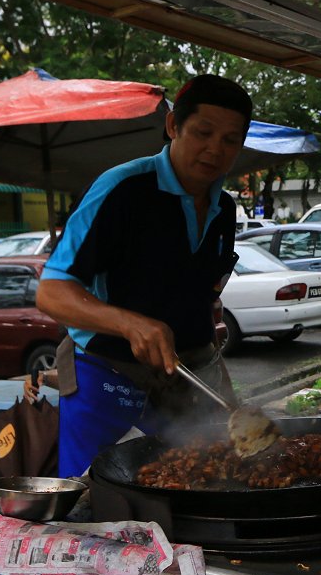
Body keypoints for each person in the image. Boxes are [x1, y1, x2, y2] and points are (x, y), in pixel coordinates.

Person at [37, 74, 249, 477]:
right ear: (173, 125)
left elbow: (204, 301)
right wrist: (131, 324)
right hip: (106, 378)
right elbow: (52, 293)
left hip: (180, 384)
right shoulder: (123, 189)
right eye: (203, 132)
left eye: (230, 140)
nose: (215, 149)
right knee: (97, 502)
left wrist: (225, 390)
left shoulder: (224, 209)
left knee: (187, 489)